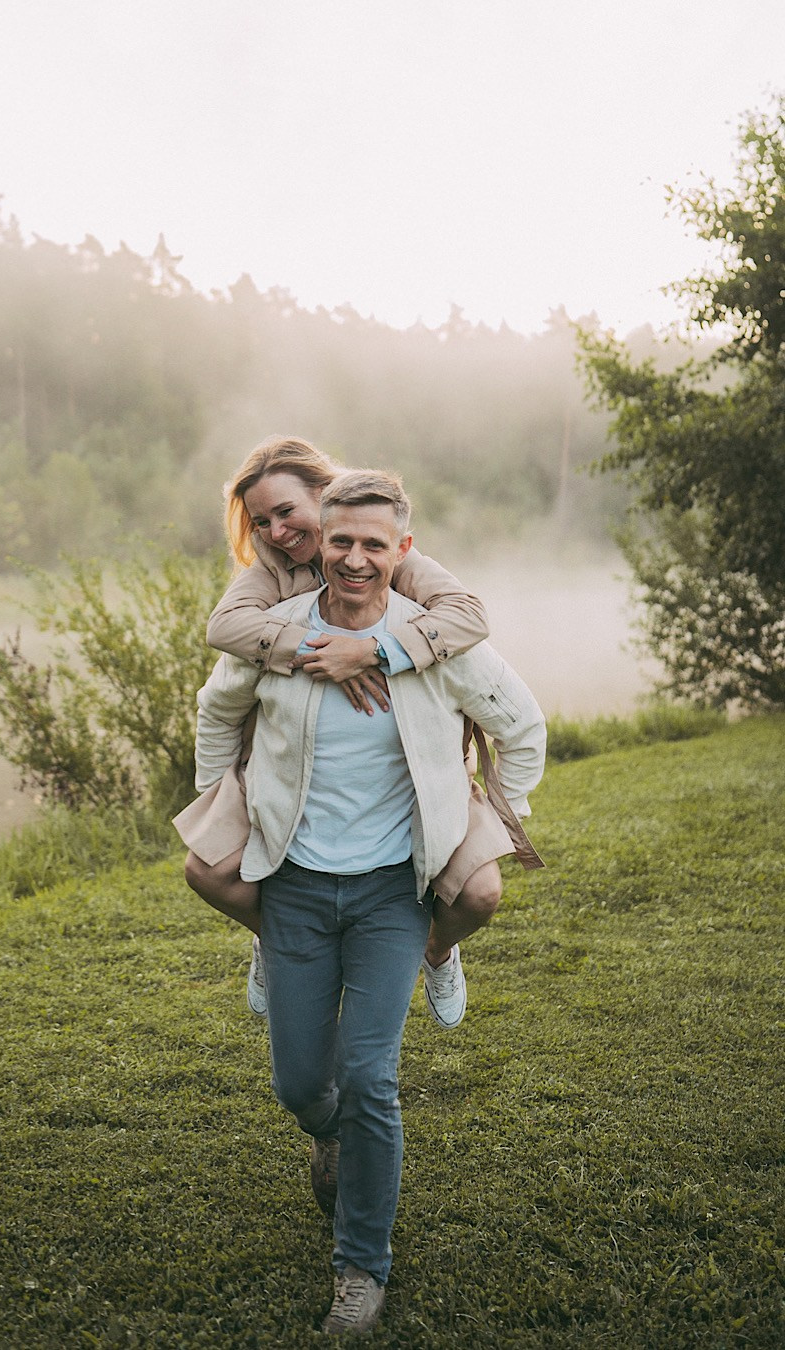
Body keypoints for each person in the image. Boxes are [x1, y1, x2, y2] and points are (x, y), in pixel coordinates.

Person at [190, 470, 546, 1334]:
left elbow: (521, 727)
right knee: (301, 1085)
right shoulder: (278, 635)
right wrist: (219, 811)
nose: (355, 558)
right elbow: (215, 714)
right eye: (340, 542)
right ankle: (335, 1138)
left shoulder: (433, 643)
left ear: (403, 552)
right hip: (298, 889)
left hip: (395, 890)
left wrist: (490, 822)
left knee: (371, 1078)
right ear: (320, 543)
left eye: (373, 545)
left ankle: (361, 1269)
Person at [176, 435, 507, 1028]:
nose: (277, 531)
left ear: (325, 496)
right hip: (293, 761)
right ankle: (276, 941)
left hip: (407, 758)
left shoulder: (387, 554)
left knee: (480, 893)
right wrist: (319, 651)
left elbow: (470, 616)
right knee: (207, 869)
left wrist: (373, 652)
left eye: (286, 511)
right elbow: (224, 628)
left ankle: (437, 949)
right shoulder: (272, 571)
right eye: (261, 521)